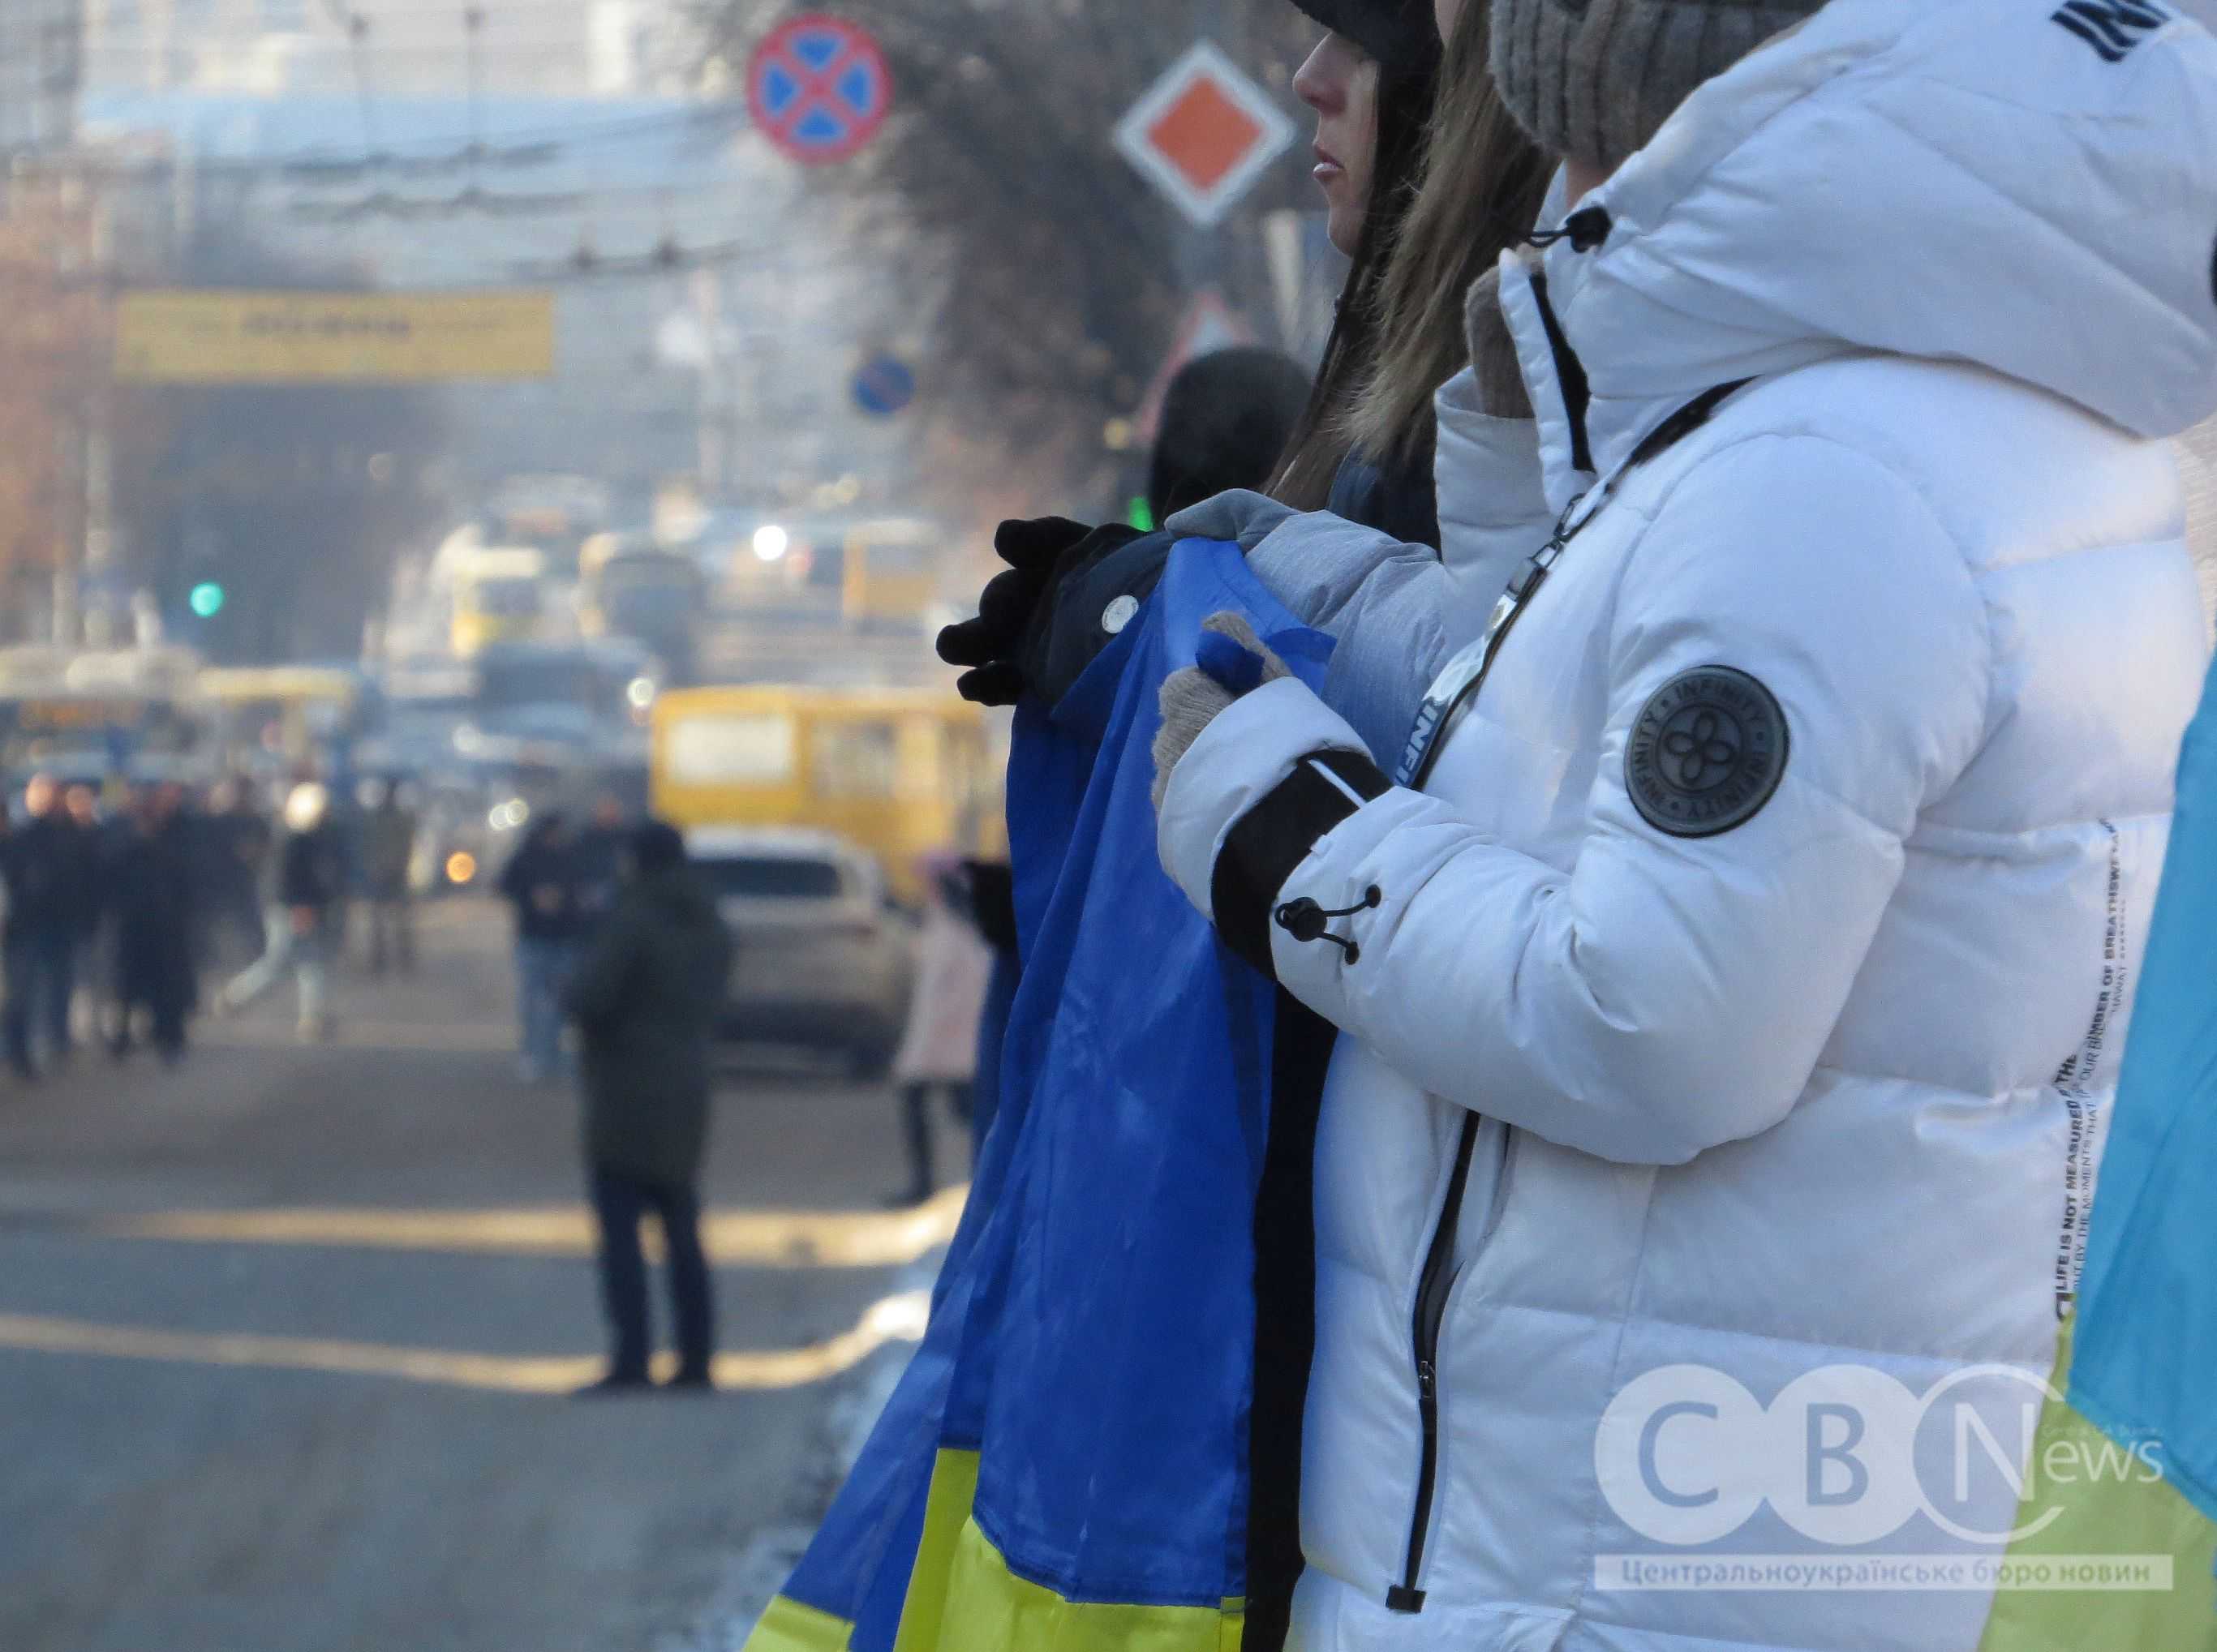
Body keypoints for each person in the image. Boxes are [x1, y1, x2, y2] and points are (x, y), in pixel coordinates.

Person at [1148, 3, 2217, 1651]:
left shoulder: (1820, 479)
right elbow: (1572, 737)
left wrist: (1271, 822)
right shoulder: (1928, 410)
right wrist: (1315, 583)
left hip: (1612, 1584)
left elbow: (1644, 1023)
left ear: (1651, 104)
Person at [562, 821, 734, 1396]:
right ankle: (696, 1357)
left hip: (625, 1091)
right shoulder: (706, 919)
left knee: (621, 1236)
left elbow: (590, 995)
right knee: (682, 1227)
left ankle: (632, 1356)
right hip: (684, 1085)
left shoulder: (633, 917)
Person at [885, 856, 995, 1207]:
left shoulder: (952, 927)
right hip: (953, 1040)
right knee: (970, 1110)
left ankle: (931, 1184)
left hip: (945, 1038)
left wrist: (921, 1043)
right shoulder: (961, 923)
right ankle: (960, 1183)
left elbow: (937, 995)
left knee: (968, 1110)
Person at [219, 782, 345, 1041]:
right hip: (291, 913)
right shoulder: (292, 839)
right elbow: (282, 882)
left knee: (310, 964)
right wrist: (299, 909)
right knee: (277, 965)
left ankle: (313, 1019)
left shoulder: (310, 836)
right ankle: (233, 998)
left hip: (302, 911)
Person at [109, 784, 197, 1065]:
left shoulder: (176, 838)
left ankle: (169, 1037)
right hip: (133, 926)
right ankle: (123, 1037)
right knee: (128, 986)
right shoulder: (125, 843)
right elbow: (111, 877)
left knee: (167, 986)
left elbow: (186, 880)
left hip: (167, 927)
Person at [2, 775, 83, 1079]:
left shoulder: (67, 832)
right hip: (25, 927)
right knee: (22, 992)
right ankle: (19, 1049)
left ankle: (54, 1039)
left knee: (56, 986)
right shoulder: (21, 837)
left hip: (58, 923)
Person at [499, 815, 582, 1084]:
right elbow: (505, 885)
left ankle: (552, 1055)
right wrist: (532, 895)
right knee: (533, 1001)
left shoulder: (570, 857)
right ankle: (532, 1055)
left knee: (559, 1002)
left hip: (562, 938)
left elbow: (583, 889)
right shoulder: (526, 857)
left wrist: (563, 899)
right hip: (533, 937)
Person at [200, 779, 273, 968]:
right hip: (223, 881)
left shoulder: (256, 820)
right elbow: (213, 848)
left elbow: (265, 846)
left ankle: (254, 957)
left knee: (249, 922)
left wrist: (254, 853)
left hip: (246, 882)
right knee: (217, 922)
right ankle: (214, 959)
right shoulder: (222, 821)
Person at [358, 779, 418, 976]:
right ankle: (395, 961)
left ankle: (386, 962)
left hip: (386, 873)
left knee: (387, 922)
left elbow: (369, 845)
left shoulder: (379, 818)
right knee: (390, 922)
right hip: (391, 873)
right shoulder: (399, 818)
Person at [570, 792, 630, 938]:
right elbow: (576, 865)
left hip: (617, 896)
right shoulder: (585, 838)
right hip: (588, 897)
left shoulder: (626, 837)